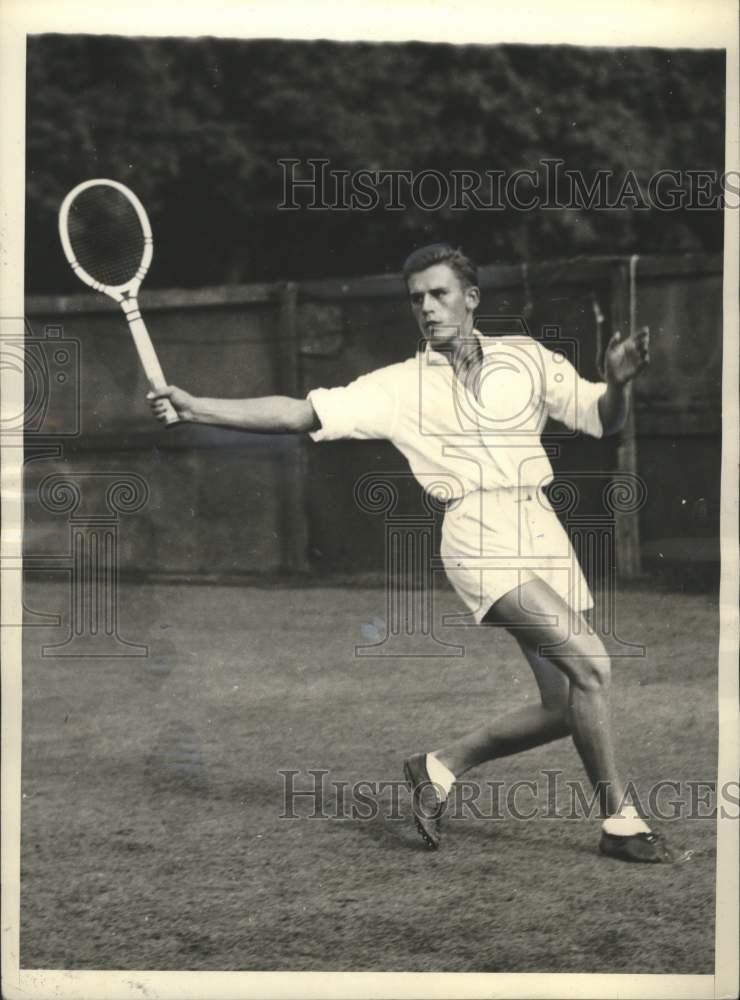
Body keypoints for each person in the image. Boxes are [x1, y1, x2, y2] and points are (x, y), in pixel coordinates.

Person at [149, 243, 672, 864]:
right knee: (592, 665)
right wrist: (197, 407)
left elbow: (602, 420)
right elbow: (298, 412)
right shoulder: (397, 386)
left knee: (565, 704)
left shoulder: (527, 359)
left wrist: (617, 383)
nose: (427, 307)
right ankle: (620, 823)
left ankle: (439, 767)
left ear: (471, 298)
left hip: (540, 526)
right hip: (477, 535)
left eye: (440, 293)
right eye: (417, 299)